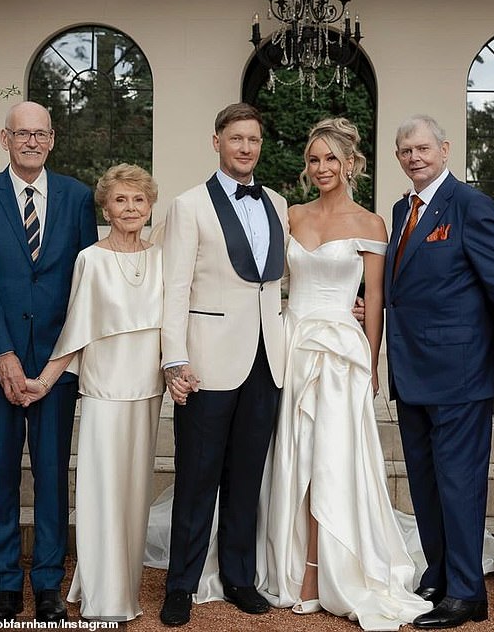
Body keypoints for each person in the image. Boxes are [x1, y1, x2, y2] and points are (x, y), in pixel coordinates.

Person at [264, 117, 432, 629]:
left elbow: (375, 297)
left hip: (342, 353)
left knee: (330, 459)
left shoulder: (371, 224)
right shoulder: (289, 216)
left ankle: (319, 572)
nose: (321, 168)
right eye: (314, 159)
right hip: (293, 345)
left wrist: (373, 359)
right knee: (294, 454)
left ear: (351, 164)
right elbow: (269, 283)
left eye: (331, 159)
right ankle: (289, 561)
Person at [385, 114, 494, 629]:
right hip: (411, 371)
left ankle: (467, 594)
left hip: (460, 372)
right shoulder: (402, 208)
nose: (414, 157)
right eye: (405, 150)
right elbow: (406, 286)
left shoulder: (469, 204)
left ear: (444, 149)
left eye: (422, 147)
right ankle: (441, 573)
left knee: (459, 484)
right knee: (425, 483)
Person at [159, 102, 288, 626]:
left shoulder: (278, 202)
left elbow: (277, 281)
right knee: (196, 475)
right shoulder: (188, 205)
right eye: (236, 138)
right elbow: (174, 288)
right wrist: (174, 360)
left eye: (253, 140)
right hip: (206, 361)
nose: (245, 148)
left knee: (246, 476)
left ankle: (238, 577)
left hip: (267, 359)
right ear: (217, 142)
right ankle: (180, 585)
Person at [21, 163, 164, 621]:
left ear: (150, 206)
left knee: (135, 494)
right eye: (120, 200)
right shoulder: (91, 258)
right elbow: (76, 329)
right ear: (105, 206)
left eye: (138, 200)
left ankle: (124, 585)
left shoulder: (163, 258)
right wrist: (44, 381)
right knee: (102, 491)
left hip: (147, 391)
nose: (130, 208)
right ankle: (106, 597)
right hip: (104, 390)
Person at [0, 101, 97, 623]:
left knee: (51, 475)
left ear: (52, 139)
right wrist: (1, 353)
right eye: (21, 134)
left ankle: (48, 583)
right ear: (5, 139)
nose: (31, 142)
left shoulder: (77, 197)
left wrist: (55, 365)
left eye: (40, 134)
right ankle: (4, 585)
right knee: (1, 473)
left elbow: (89, 282)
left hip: (56, 364)